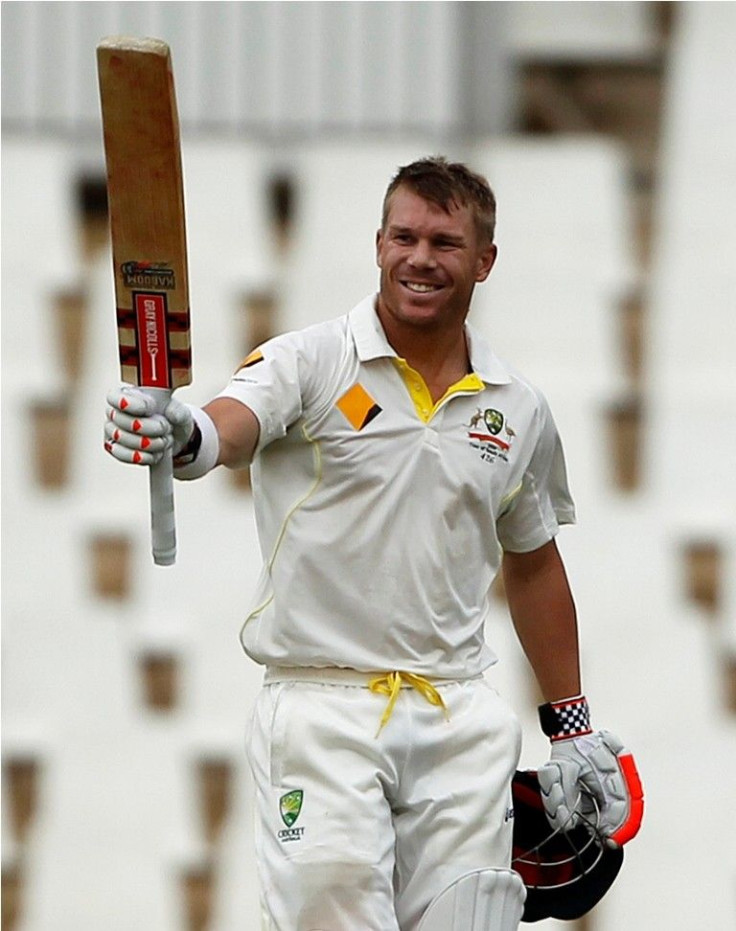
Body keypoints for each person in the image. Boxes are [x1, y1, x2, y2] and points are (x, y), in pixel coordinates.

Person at [105, 156, 643, 930]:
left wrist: (571, 724)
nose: (420, 257)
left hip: (458, 708)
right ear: (379, 243)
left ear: (484, 260)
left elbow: (533, 565)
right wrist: (183, 434)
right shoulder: (312, 359)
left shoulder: (517, 406)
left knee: (475, 916)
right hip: (324, 707)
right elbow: (228, 426)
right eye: (404, 236)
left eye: (445, 242)